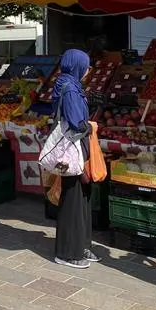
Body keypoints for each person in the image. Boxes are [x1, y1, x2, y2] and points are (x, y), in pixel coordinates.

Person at [51, 49, 98, 269]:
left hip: (78, 150)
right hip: (72, 150)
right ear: (77, 65)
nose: (88, 70)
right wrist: (90, 126)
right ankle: (67, 252)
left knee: (82, 198)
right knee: (72, 199)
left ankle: (81, 245)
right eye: (86, 66)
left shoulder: (70, 85)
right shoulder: (69, 89)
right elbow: (76, 122)